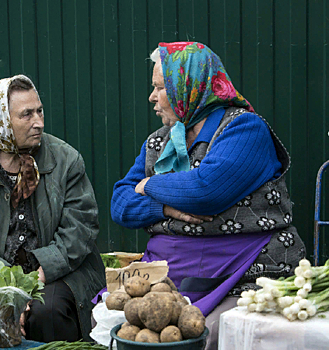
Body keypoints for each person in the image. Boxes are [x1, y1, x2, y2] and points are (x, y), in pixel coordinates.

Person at [110, 42, 305, 349]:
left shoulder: (244, 129)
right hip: (172, 272)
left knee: (207, 335)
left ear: (187, 88)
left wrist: (147, 186)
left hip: (244, 271)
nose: (152, 97)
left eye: (160, 87)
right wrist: (165, 208)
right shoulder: (160, 141)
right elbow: (120, 203)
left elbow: (205, 191)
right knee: (119, 326)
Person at [0, 74, 106, 343]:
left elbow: (80, 229)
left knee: (45, 311)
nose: (38, 122)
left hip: (58, 273)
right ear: (1, 122)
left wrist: (34, 280)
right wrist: (11, 287)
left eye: (39, 111)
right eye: (26, 115)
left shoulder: (66, 160)